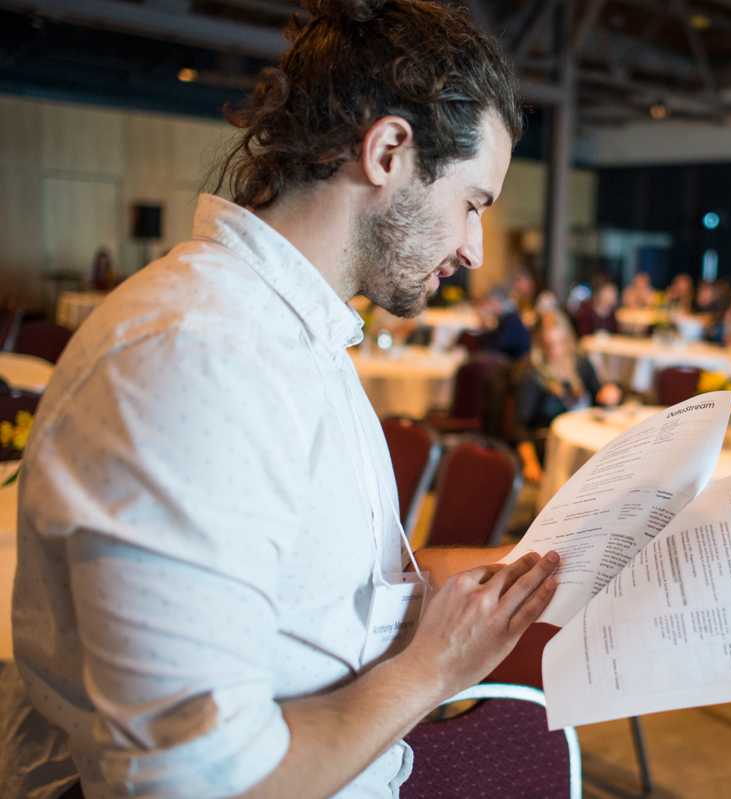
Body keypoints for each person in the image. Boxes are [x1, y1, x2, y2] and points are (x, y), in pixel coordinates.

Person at [0, 3, 562, 797]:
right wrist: (434, 669)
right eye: (472, 202)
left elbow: (342, 599)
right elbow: (196, 782)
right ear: (390, 150)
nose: (473, 247)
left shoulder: (290, 333)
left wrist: (567, 570)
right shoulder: (199, 356)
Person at [513, 317, 621, 483]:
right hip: (553, 444)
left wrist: (610, 393)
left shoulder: (580, 362)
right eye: (548, 344)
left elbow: (599, 394)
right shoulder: (531, 373)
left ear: (567, 339)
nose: (555, 350)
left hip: (588, 432)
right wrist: (530, 462)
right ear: (538, 343)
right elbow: (520, 425)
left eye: (559, 343)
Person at [477, 284, 532, 360]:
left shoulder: (512, 321)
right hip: (505, 357)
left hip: (512, 363)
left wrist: (483, 335)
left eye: (491, 303)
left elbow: (498, 345)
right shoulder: (508, 319)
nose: (488, 308)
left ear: (498, 304)